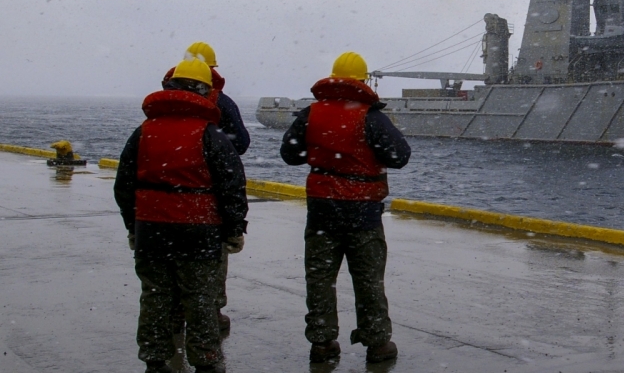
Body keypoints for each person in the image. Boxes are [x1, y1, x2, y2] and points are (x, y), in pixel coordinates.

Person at [114, 58, 248, 373]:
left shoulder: (144, 131)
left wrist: (133, 226)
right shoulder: (209, 134)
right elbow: (232, 184)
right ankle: (206, 360)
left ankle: (155, 359)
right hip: (197, 229)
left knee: (155, 296)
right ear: (204, 91)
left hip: (151, 228)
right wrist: (234, 229)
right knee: (200, 298)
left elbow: (124, 184)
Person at [280, 51, 410, 364]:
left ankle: (322, 343)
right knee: (367, 279)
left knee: (320, 278)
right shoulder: (371, 116)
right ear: (364, 81)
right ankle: (377, 343)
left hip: (322, 209)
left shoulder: (311, 113)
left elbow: (289, 154)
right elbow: (400, 155)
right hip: (362, 211)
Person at [163, 41, 249, 332]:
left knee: (169, 263)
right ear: (212, 70)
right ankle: (212, 312)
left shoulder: (162, 105)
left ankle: (174, 315)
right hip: (206, 200)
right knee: (210, 262)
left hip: (164, 200)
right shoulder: (222, 103)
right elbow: (242, 144)